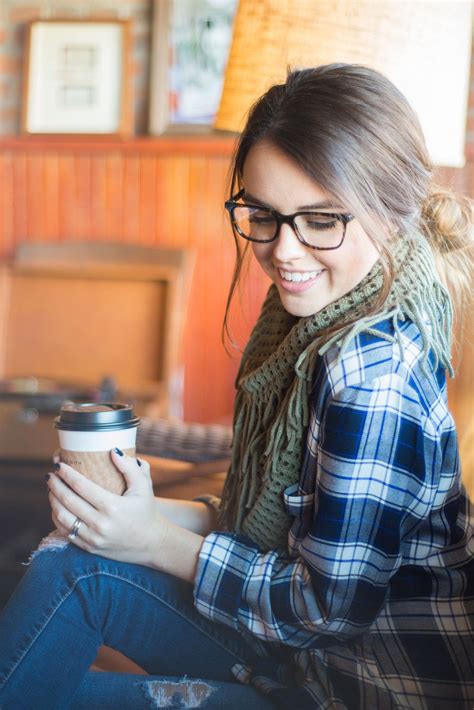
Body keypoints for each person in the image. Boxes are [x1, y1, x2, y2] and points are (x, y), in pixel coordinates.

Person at [0, 63, 473, 709]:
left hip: (358, 687)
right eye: (264, 214)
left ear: (391, 211)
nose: (285, 250)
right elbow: (281, 524)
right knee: (66, 573)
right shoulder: (306, 325)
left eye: (321, 220)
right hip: (301, 657)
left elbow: (323, 611)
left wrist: (152, 540)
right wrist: (133, 515)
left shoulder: (372, 375)